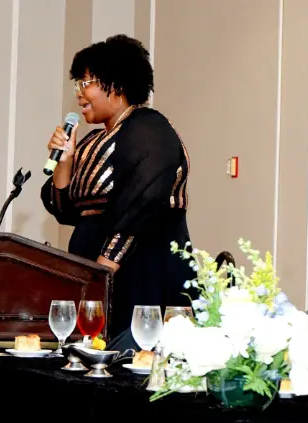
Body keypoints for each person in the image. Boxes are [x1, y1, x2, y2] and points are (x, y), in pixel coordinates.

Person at [40, 34, 196, 339]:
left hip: (141, 274)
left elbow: (143, 204)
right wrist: (65, 161)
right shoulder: (91, 141)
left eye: (85, 84)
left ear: (116, 85)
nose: (79, 95)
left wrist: (100, 276)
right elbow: (64, 210)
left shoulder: (148, 128)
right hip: (100, 279)